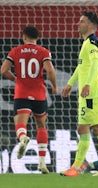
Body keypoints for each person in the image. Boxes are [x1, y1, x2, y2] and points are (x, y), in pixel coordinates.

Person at [0, 25, 58, 174]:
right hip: (39, 94)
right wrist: (54, 86)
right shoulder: (43, 51)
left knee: (20, 123)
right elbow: (50, 70)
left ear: (24, 36)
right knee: (41, 126)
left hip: (22, 93)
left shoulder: (16, 51)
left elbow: (3, 70)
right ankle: (42, 163)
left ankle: (23, 138)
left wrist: (16, 79)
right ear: (37, 38)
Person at [60, 10, 98, 177]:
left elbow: (95, 65)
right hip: (88, 93)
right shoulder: (86, 43)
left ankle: (81, 167)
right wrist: (70, 83)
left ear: (89, 24)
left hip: (92, 92)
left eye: (81, 21)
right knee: (89, 128)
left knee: (92, 128)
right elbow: (82, 67)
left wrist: (87, 84)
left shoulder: (93, 43)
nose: (78, 24)